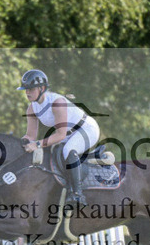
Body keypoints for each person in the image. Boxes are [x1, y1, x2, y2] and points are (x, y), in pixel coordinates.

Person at [18, 68, 100, 206]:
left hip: (86, 129)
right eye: (26, 89)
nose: (27, 93)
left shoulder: (57, 102)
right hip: (69, 133)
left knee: (68, 150)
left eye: (30, 89)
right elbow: (30, 135)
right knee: (53, 153)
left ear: (42, 88)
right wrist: (20, 143)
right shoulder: (31, 108)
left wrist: (37, 144)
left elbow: (60, 135)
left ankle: (77, 194)